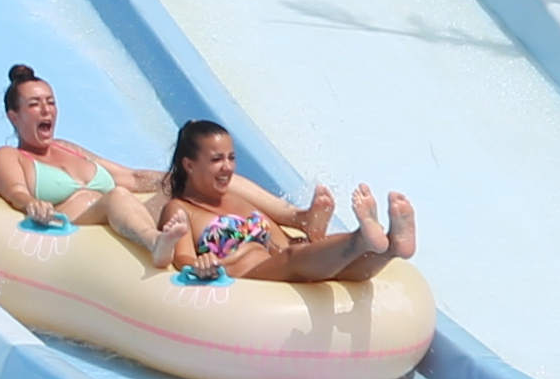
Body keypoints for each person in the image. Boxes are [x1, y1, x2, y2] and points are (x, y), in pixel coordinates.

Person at [150, 118, 412, 286]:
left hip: (272, 267)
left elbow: (282, 243)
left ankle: (390, 247)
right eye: (217, 159)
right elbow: (182, 257)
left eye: (231, 157)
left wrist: (312, 237)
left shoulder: (238, 200)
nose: (228, 167)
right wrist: (202, 265)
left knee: (322, 264)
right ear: (189, 165)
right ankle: (361, 238)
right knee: (292, 258)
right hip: (244, 277)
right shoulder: (180, 208)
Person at [0, 65, 161, 252]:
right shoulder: (10, 155)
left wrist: (180, 179)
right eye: (34, 104)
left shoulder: (67, 148)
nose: (46, 110)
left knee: (175, 198)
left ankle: (192, 258)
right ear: (14, 116)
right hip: (79, 228)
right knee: (117, 195)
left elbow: (133, 178)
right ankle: (155, 241)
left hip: (120, 217)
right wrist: (32, 203)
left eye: (51, 102)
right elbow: (16, 192)